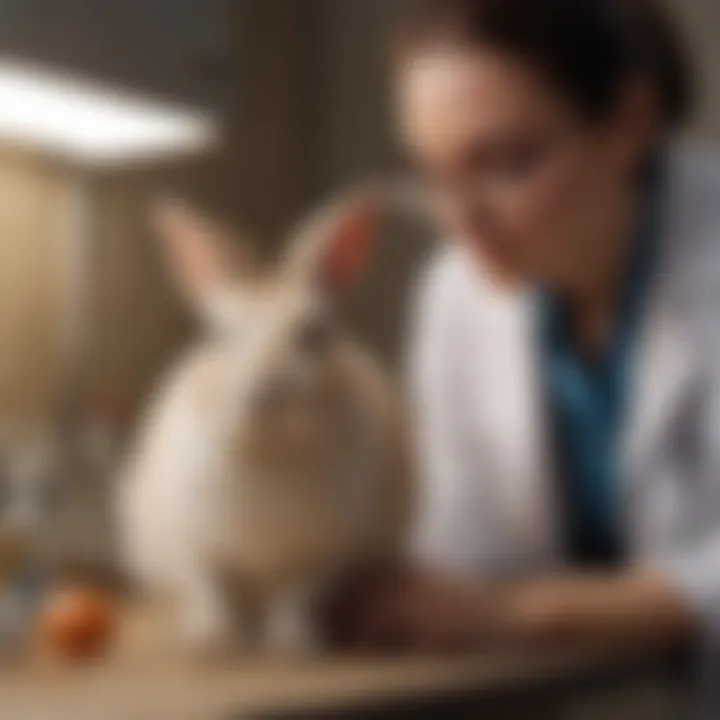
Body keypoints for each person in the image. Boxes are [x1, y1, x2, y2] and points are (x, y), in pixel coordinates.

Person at [335, 0, 720, 661]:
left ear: (631, 120)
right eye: (434, 172)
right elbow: (465, 547)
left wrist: (522, 615)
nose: (461, 218)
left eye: (508, 163)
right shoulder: (457, 293)